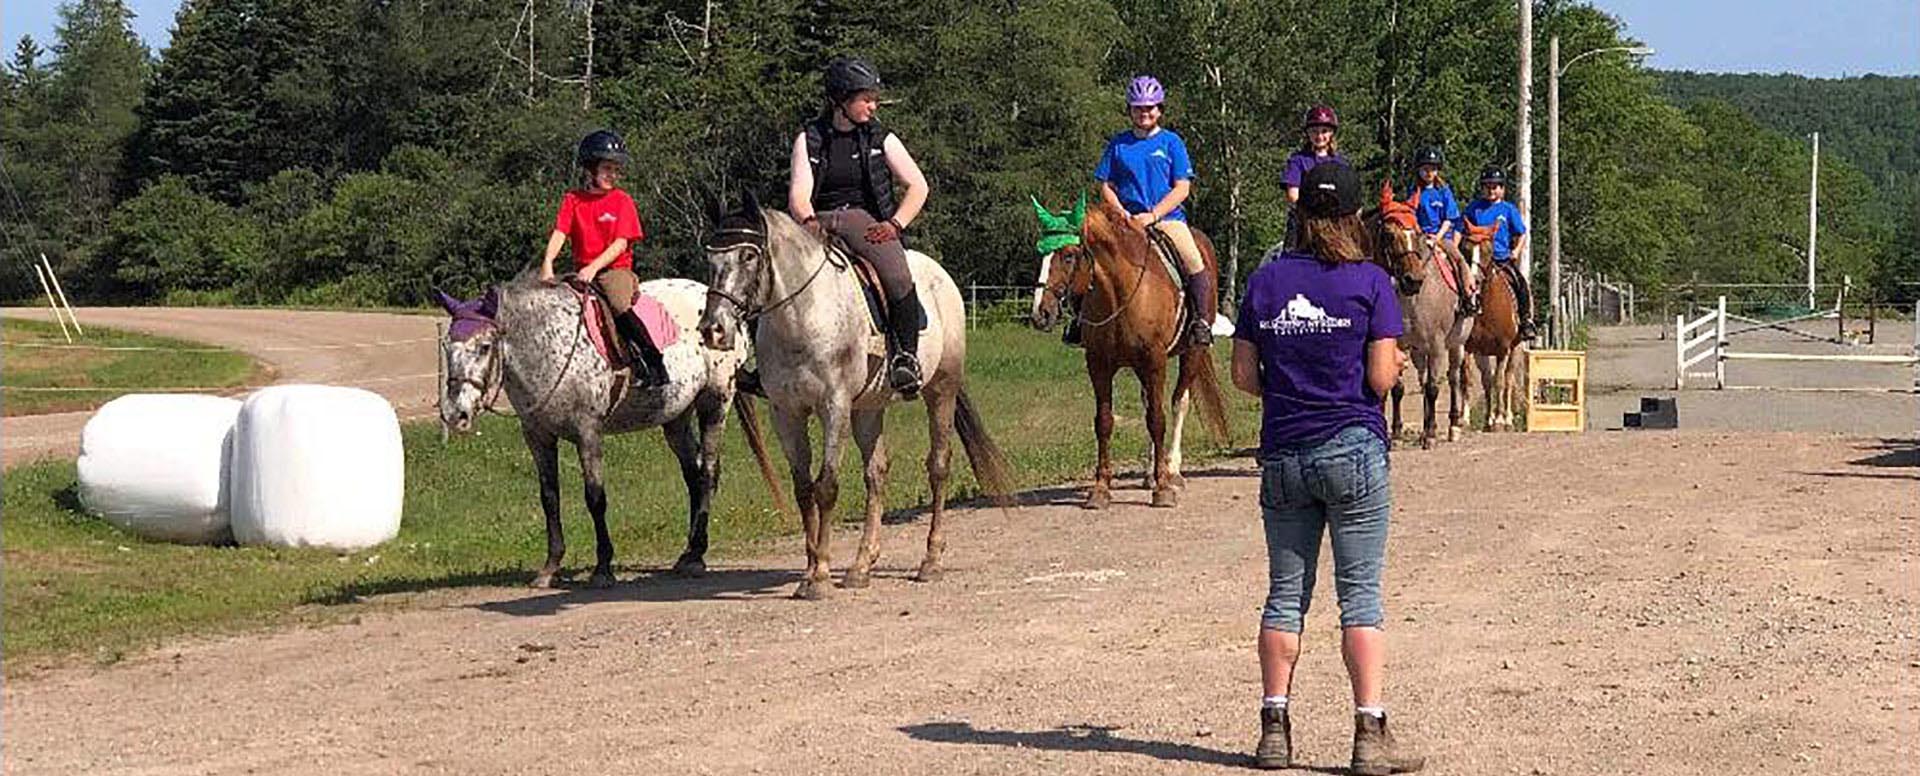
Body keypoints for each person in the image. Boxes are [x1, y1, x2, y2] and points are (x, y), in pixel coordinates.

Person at [1231, 160, 1425, 774]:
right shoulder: (1371, 283)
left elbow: (1241, 376)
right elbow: (1379, 377)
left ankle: (1274, 728)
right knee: (1360, 597)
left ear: (1301, 215)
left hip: (1285, 453)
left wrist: (1291, 387)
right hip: (1352, 449)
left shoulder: (1264, 282)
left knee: (1284, 595)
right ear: (1351, 216)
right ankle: (1369, 735)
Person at [787, 56, 934, 397]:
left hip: (865, 222)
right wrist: (808, 221)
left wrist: (895, 224)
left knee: (898, 276)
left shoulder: (881, 137)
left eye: (874, 98)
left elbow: (918, 185)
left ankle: (905, 358)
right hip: (816, 221)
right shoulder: (809, 138)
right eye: (865, 98)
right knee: (770, 270)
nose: (873, 105)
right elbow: (799, 191)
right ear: (841, 100)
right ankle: (763, 363)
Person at [1094, 74, 1216, 347]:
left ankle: (1201, 322)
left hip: (1166, 219)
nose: (1144, 113)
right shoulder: (1118, 144)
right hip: (1125, 220)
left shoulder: (1172, 142)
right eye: (1138, 108)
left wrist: (1153, 215)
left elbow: (1182, 188)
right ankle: (1081, 322)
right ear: (1130, 111)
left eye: (1150, 108)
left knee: (1194, 261)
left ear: (1160, 110)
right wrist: (1121, 212)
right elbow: (1106, 185)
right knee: (1090, 258)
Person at [540, 129, 668, 387]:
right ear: (590, 169)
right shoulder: (572, 200)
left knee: (618, 304)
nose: (613, 174)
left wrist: (593, 267)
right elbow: (560, 232)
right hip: (583, 271)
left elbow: (621, 243)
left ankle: (652, 363)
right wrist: (548, 263)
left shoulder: (622, 201)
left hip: (613, 271)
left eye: (616, 169)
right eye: (607, 168)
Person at [1462, 167, 1537, 339]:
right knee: (1462, 282)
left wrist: (1516, 251)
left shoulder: (1508, 209)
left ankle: (1526, 320)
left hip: (1501, 258)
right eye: (1487, 186)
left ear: (1502, 189)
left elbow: (1522, 233)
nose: (1491, 190)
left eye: (1495, 186)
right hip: (1477, 259)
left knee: (1520, 283)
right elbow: (1463, 228)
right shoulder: (1474, 208)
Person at [1407, 147, 1473, 312]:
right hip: (1420, 236)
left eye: (1433, 169)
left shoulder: (1443, 191)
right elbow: (1410, 216)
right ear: (1419, 170)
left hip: (1442, 237)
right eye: (1425, 169)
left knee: (1459, 260)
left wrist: (1437, 238)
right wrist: (1421, 235)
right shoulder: (1414, 191)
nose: (1429, 173)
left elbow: (1449, 219)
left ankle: (1467, 299)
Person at [1281, 105, 1347, 250]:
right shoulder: (1298, 160)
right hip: (1305, 222)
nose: (1319, 136)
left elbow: (1347, 194)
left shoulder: (1341, 163)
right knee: (1289, 257)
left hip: (1336, 221)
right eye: (1314, 131)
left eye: (1324, 131)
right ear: (1308, 134)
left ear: (1331, 134)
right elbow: (1293, 195)